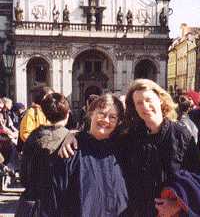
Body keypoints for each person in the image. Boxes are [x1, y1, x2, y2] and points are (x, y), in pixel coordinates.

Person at [60, 79, 200, 217]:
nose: (145, 106)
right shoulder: (130, 136)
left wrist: (177, 205)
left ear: (160, 99)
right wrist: (72, 135)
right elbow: (100, 136)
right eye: (139, 103)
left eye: (148, 99)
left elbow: (197, 178)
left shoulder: (181, 135)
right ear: (134, 108)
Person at [20, 93, 128, 217]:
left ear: (118, 122)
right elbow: (54, 198)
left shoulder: (121, 150)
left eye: (112, 117)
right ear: (91, 113)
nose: (106, 120)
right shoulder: (71, 149)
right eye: (101, 114)